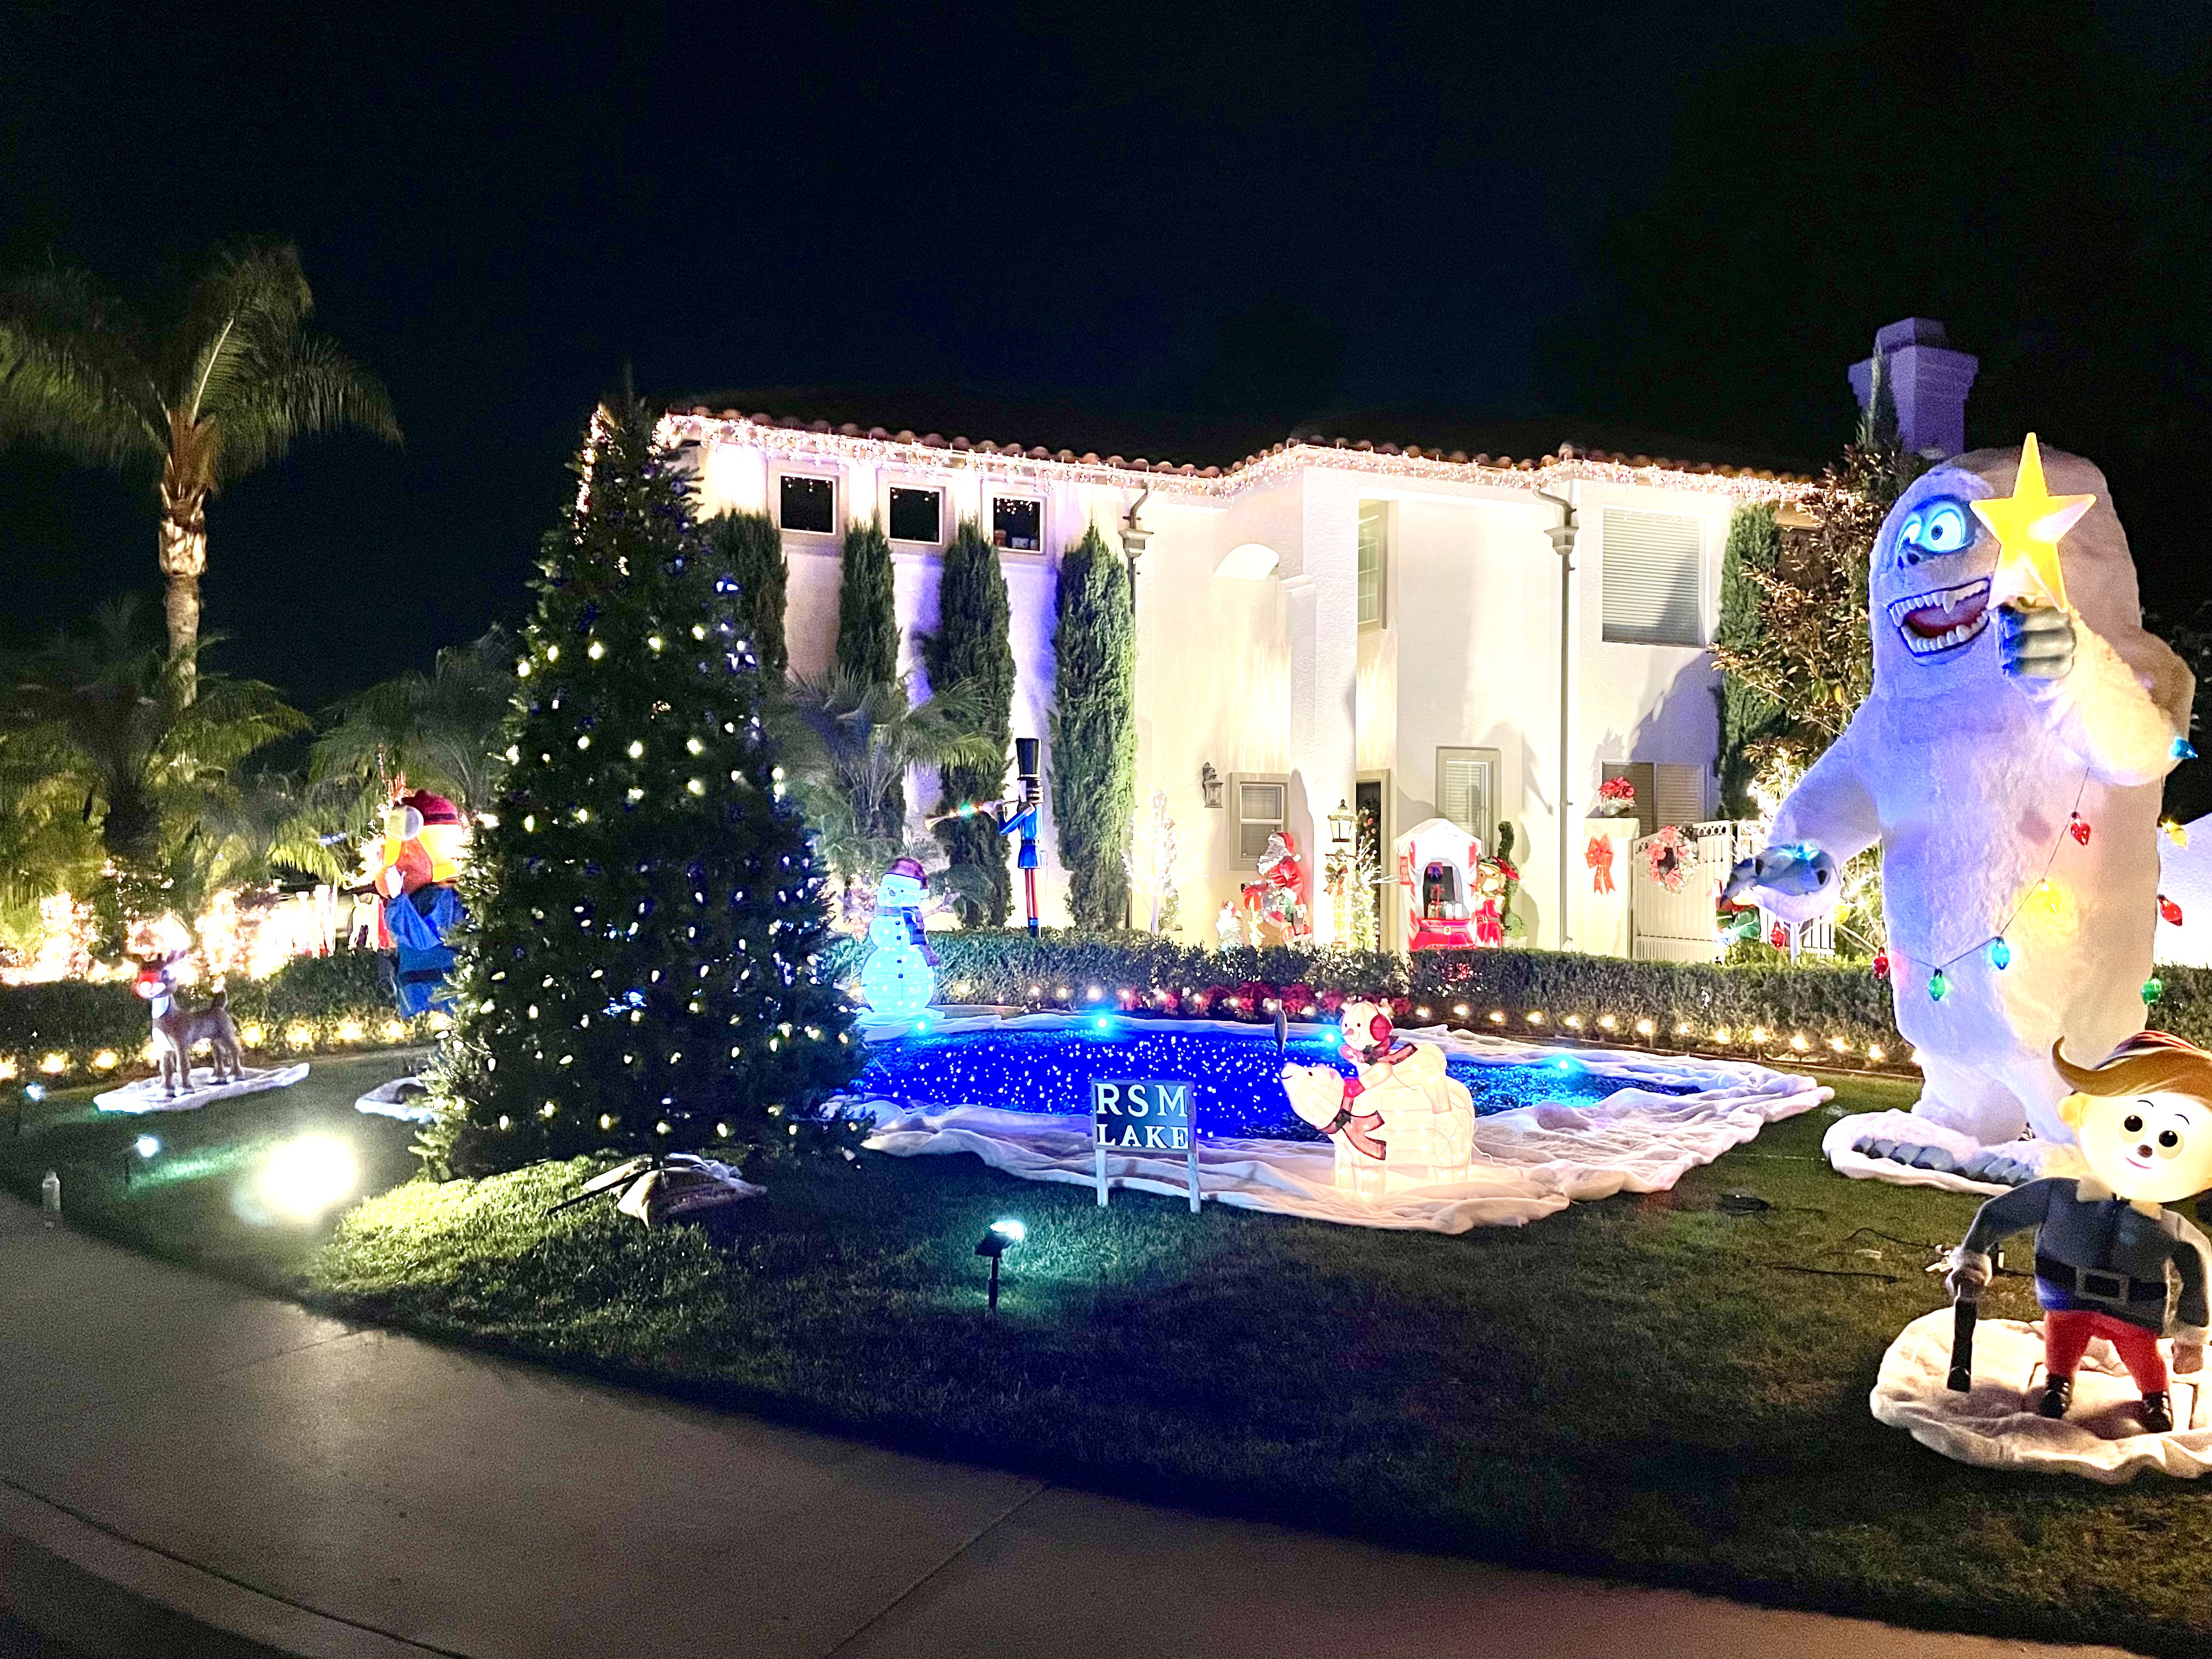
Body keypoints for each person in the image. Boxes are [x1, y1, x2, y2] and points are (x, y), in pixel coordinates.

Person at [1946, 1031, 2212, 1432]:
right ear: (2083, 1112)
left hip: (2135, 1312)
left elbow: (2197, 1271)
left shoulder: (2172, 1228)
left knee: (2142, 1355)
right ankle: (2058, 1383)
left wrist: (2191, 1333)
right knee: (2062, 1341)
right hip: (2066, 1298)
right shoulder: (2059, 1196)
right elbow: (1999, 1214)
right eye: (2133, 1123)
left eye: (2170, 1138)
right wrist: (1974, 1257)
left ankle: (2155, 1395)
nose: (2146, 1147)